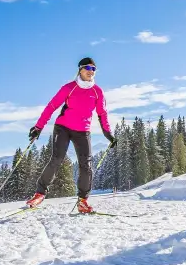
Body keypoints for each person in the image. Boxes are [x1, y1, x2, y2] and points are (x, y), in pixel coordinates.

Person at [25, 57, 117, 213]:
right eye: (87, 68)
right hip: (63, 128)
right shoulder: (69, 88)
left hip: (83, 131)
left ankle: (83, 201)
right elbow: (51, 106)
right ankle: (39, 193)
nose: (90, 71)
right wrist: (38, 126)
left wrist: (108, 134)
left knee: (86, 166)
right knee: (56, 159)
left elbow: (102, 114)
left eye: (93, 69)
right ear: (80, 69)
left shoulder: (97, 92)